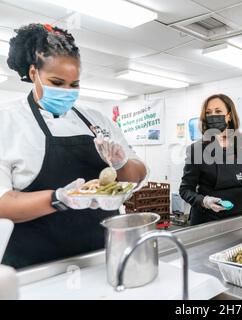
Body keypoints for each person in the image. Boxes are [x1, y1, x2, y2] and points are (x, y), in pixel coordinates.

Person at [0, 24, 147, 269]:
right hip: (37, 265)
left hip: (103, 257)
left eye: (74, 84)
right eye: (57, 83)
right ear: (34, 73)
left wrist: (122, 164)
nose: (67, 92)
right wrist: (59, 199)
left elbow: (138, 174)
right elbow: (3, 203)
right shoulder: (7, 122)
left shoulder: (96, 120)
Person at [179, 94, 242, 226]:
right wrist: (204, 201)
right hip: (208, 220)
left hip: (240, 216)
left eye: (218, 111)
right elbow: (185, 189)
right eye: (208, 113)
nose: (213, 116)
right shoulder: (197, 149)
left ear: (229, 115)